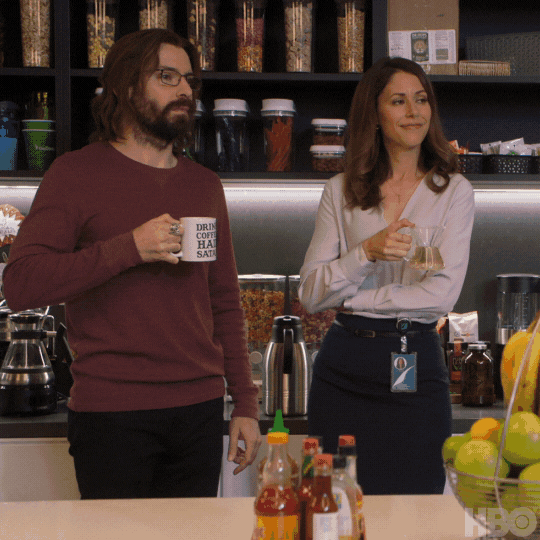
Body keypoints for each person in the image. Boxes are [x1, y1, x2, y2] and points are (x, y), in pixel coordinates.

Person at [2, 29, 261, 499]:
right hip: (111, 415)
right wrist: (130, 248)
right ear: (124, 85)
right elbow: (21, 284)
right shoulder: (76, 174)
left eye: (189, 79)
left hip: (200, 410)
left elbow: (224, 301)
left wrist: (245, 402)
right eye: (167, 76)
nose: (184, 90)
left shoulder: (204, 185)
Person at [298, 57, 475, 495]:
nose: (414, 112)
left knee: (417, 508)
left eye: (421, 100)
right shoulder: (340, 190)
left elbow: (440, 297)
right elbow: (310, 292)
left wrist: (353, 299)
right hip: (343, 368)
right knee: (333, 506)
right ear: (374, 115)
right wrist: (366, 252)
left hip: (416, 361)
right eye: (398, 101)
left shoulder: (453, 192)